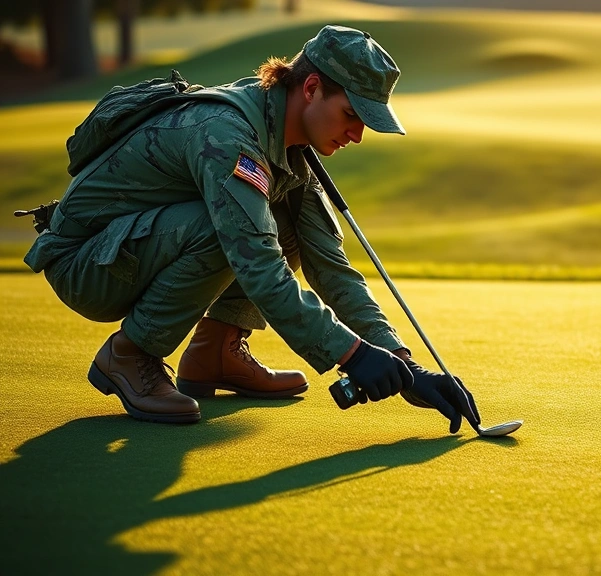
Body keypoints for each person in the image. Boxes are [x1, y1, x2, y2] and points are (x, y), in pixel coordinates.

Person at [21, 25, 481, 432]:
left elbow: (331, 268)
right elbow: (260, 268)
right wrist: (353, 355)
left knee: (282, 229)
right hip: (87, 264)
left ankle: (215, 351)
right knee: (230, 233)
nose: (357, 135)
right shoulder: (227, 136)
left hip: (129, 249)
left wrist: (404, 365)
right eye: (352, 115)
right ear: (312, 87)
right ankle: (130, 353)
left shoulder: (291, 145)